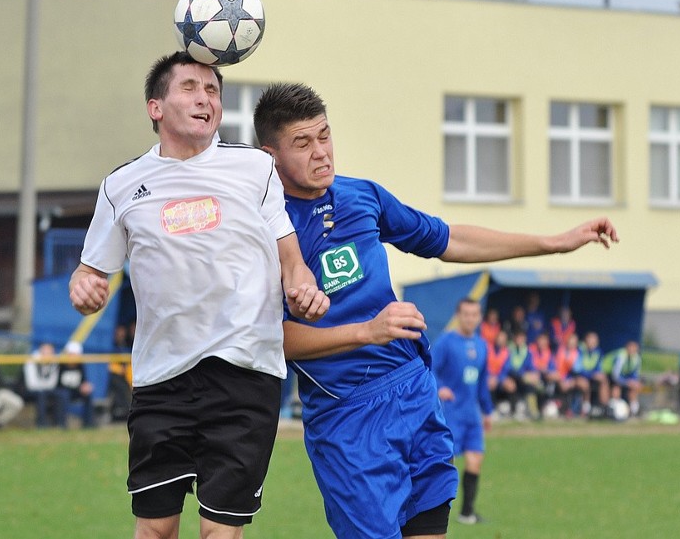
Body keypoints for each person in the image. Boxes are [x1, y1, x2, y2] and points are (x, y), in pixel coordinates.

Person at [252, 82, 619, 538]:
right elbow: (269, 341)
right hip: (348, 416)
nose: (322, 152)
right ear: (270, 157)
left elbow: (447, 239)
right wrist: (367, 331)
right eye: (302, 144)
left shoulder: (361, 196)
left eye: (325, 136)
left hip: (412, 391)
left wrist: (552, 243)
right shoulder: (265, 230)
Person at [68, 52, 328, 539]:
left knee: (219, 532)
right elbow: (88, 271)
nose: (205, 99)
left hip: (244, 371)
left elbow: (290, 259)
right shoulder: (121, 186)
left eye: (213, 91)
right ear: (155, 107)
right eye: (190, 87)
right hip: (160, 377)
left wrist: (303, 288)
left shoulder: (255, 168)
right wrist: (85, 288)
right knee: (156, 528)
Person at [431, 298, 493, 525]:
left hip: (472, 415)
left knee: (475, 460)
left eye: (474, 314)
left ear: (479, 317)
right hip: (451, 414)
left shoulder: (481, 345)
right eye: (466, 314)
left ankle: (467, 513)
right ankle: (437, 515)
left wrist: (487, 411)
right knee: (448, 464)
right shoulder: (446, 342)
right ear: (458, 315)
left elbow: (483, 382)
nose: (470, 318)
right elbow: (430, 369)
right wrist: (440, 388)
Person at [23, 342, 63, 428]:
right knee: (41, 395)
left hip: (46, 389)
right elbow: (31, 384)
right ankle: (41, 424)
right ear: (40, 351)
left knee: (62, 394)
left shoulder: (54, 362)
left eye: (49, 352)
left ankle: (60, 424)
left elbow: (53, 383)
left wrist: (44, 386)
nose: (47, 354)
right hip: (29, 390)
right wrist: (44, 386)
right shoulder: (32, 360)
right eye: (45, 351)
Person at [572, 331, 610, 416]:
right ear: (586, 341)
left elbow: (599, 368)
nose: (592, 343)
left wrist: (599, 374)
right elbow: (576, 369)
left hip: (591, 378)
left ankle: (605, 408)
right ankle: (585, 409)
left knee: (604, 380)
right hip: (578, 377)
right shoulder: (579, 351)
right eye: (590, 340)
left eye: (594, 341)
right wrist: (591, 374)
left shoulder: (599, 352)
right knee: (584, 383)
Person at [609, 340, 642, 417]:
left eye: (635, 348)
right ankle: (613, 411)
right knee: (616, 388)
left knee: (635, 388)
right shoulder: (621, 356)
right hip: (611, 376)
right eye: (631, 348)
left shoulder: (637, 358)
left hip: (625, 379)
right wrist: (627, 382)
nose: (633, 350)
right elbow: (615, 375)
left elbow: (635, 375)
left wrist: (634, 383)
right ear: (627, 348)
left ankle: (633, 412)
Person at [487, 330, 515, 414]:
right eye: (500, 338)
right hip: (487, 377)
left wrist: (499, 378)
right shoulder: (487, 348)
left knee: (511, 385)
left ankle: (512, 410)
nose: (501, 340)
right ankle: (490, 409)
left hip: (499, 377)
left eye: (503, 338)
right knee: (490, 384)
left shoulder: (507, 352)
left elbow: (506, 369)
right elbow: (483, 366)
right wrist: (489, 377)